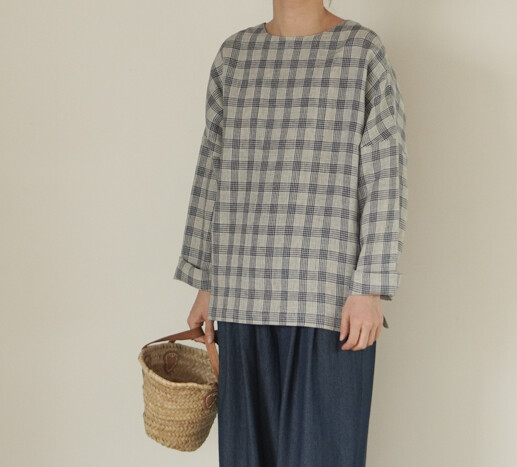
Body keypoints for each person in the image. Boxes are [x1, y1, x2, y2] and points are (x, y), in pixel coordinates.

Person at [174, 2, 408, 466]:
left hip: (329, 303)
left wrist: (370, 288)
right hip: (241, 298)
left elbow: (385, 173)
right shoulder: (234, 55)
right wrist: (207, 282)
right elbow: (212, 168)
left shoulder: (361, 51)